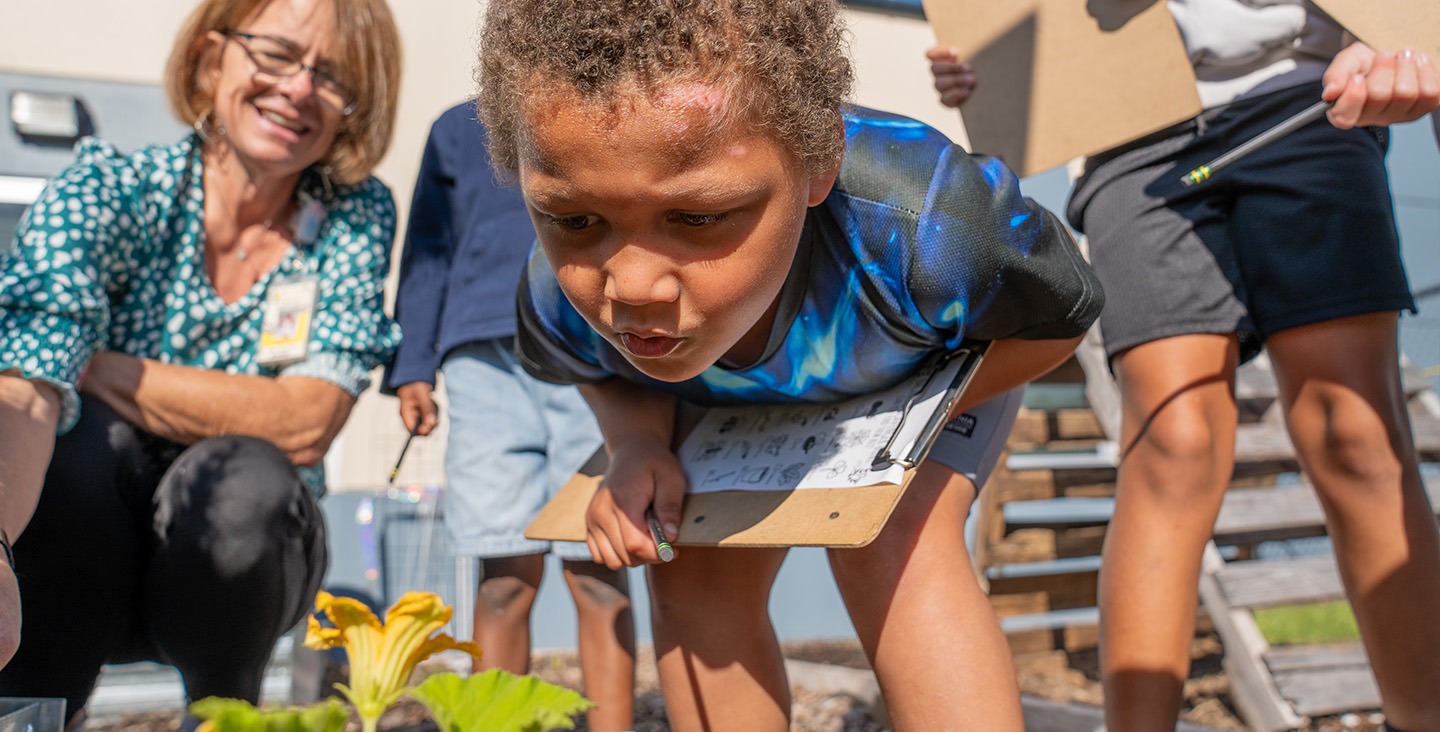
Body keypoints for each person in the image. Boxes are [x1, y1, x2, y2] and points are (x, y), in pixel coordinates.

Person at [475, 1, 1106, 729]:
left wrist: (888, 427)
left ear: (818, 163)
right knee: (694, 566)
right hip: (736, 406)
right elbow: (600, 372)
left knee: (898, 541)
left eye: (698, 217)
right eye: (576, 221)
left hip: (922, 368)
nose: (631, 288)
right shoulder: (558, 291)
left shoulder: (935, 229)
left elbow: (1059, 318)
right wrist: (636, 442)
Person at [929, 8, 1440, 731]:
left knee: (1353, 428)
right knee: (1174, 443)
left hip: (1307, 100)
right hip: (1131, 127)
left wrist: (1401, 42)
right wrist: (991, 71)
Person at [0, 0, 402, 723]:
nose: (301, 89)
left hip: (242, 579)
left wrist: (95, 362)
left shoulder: (354, 215)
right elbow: (27, 385)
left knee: (250, 473)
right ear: (214, 59)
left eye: (334, 77)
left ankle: (222, 715)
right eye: (276, 55)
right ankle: (36, 706)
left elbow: (306, 423)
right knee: (80, 445)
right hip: (76, 558)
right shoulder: (112, 189)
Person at [385, 102, 636, 731]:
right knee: (501, 575)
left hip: (592, 350)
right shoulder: (454, 129)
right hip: (484, 361)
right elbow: (428, 250)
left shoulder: (613, 106)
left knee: (599, 570)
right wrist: (414, 362)